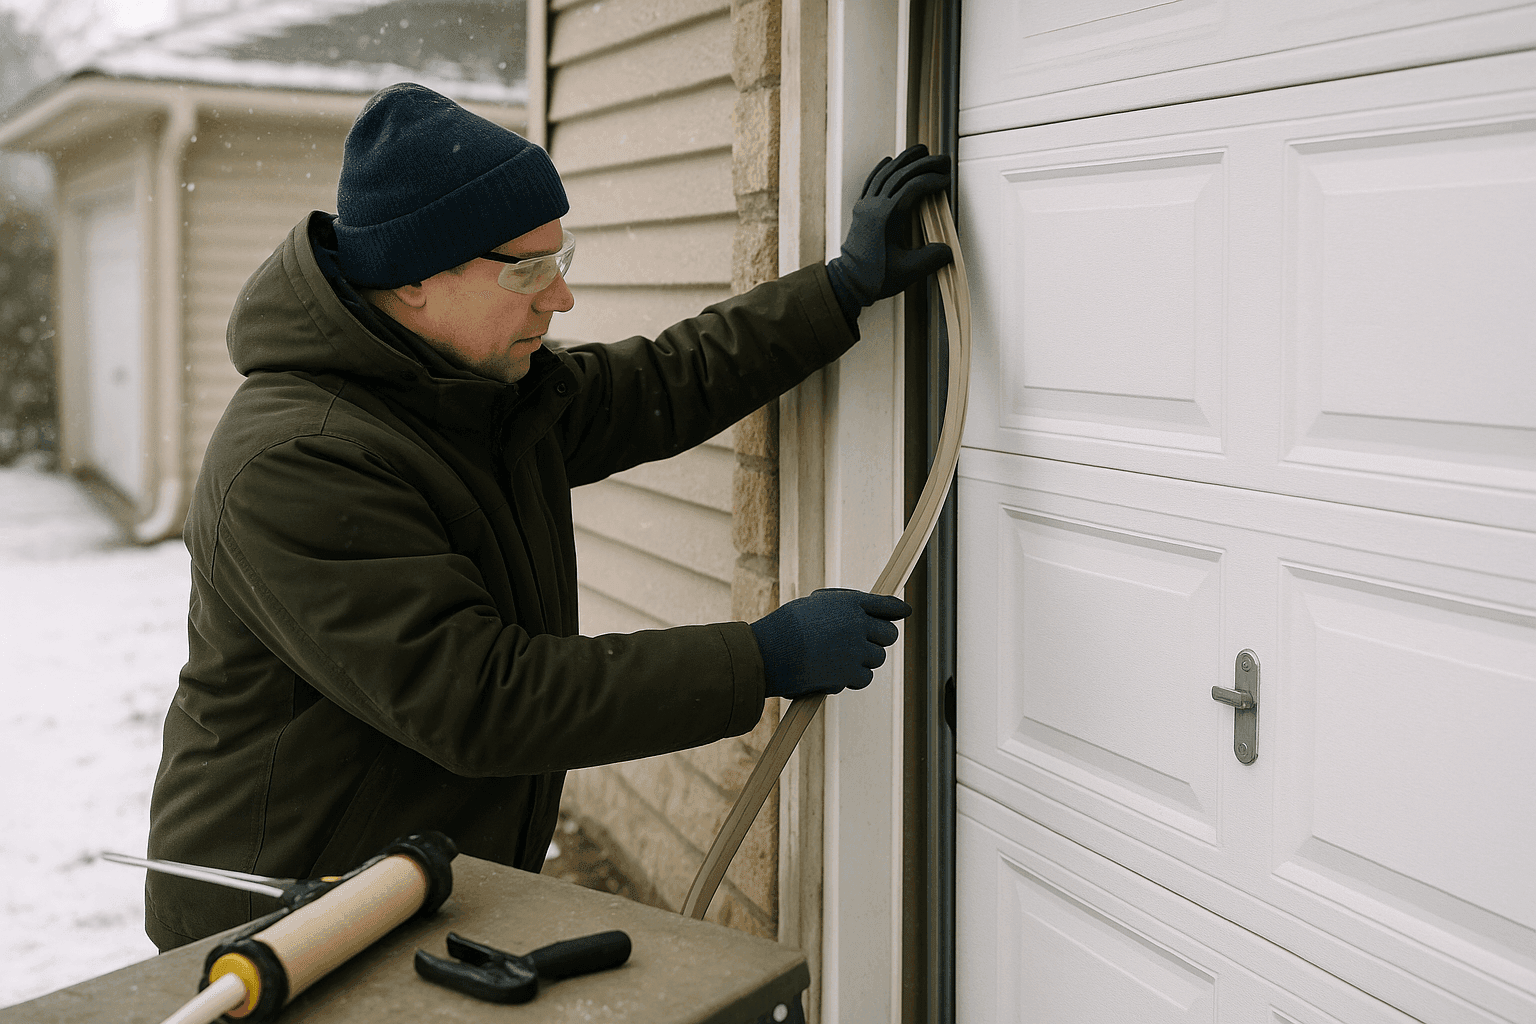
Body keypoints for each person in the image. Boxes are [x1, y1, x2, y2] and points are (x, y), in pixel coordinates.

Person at [145, 83, 952, 950]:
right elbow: (481, 699)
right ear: (415, 279)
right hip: (281, 914)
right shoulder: (299, 462)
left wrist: (838, 290)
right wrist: (757, 659)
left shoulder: (468, 390)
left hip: (404, 883)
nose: (559, 299)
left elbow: (661, 382)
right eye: (527, 271)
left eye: (560, 258)